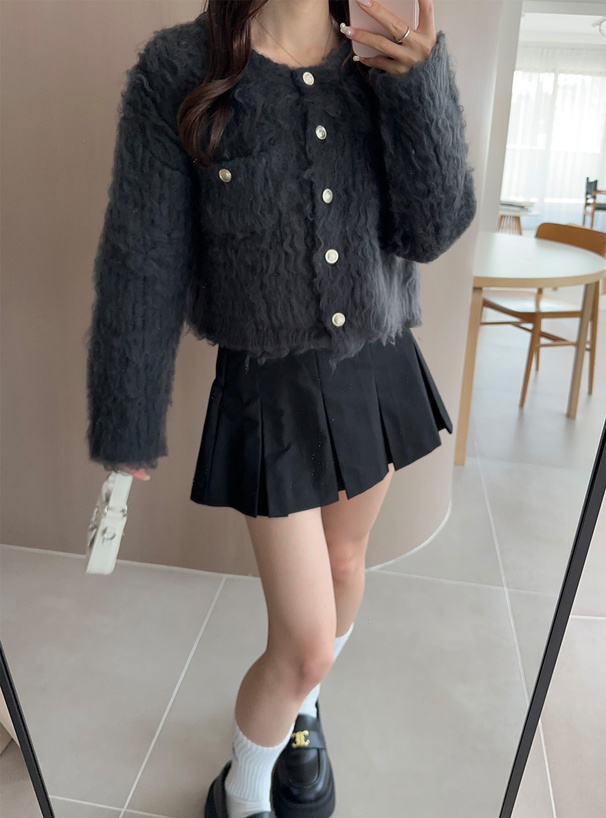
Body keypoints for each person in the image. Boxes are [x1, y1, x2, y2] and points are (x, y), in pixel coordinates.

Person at [85, 0, 476, 815]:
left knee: (345, 565)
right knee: (303, 644)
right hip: (267, 387)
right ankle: (243, 790)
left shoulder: (382, 60)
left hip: (375, 365)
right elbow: (143, 258)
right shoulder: (180, 68)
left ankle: (304, 717)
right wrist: (128, 414)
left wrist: (419, 87)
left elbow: (434, 230)